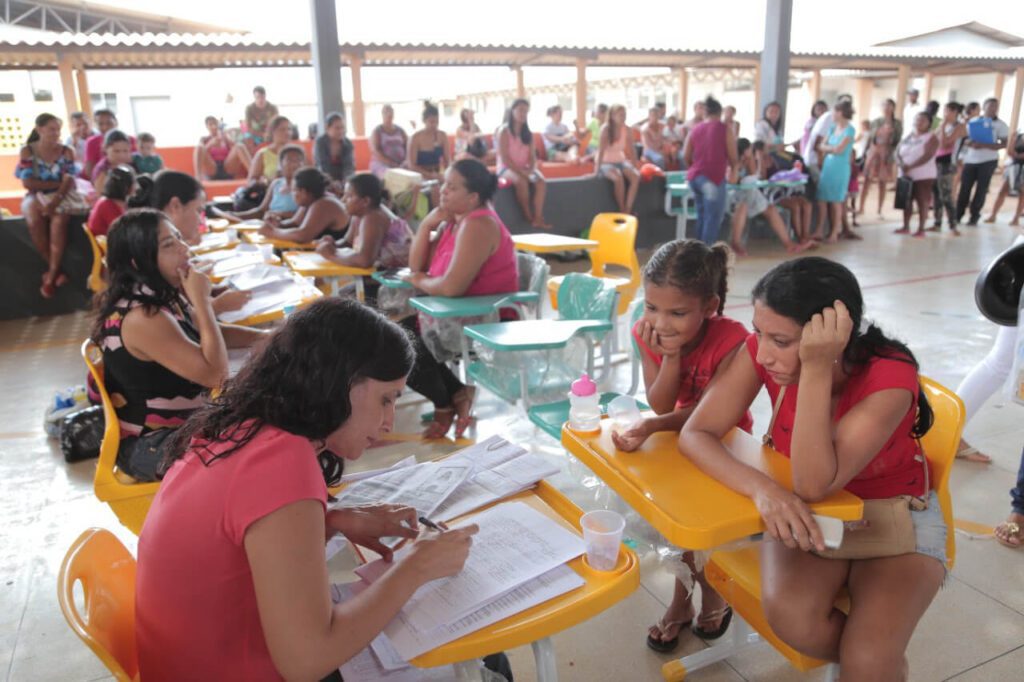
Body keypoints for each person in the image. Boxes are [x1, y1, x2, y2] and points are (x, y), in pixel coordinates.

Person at [134, 297, 481, 680]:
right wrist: (418, 565)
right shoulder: (283, 462)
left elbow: (235, 543)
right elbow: (306, 661)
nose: (389, 422)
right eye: (386, 399)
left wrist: (331, 522)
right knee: (479, 657)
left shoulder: (242, 428)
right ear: (338, 383)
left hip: (191, 665)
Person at [680, 257, 946, 680]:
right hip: (814, 514)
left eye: (781, 341)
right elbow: (697, 433)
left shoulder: (891, 376)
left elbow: (813, 483)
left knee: (868, 660)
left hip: (895, 517)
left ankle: (872, 663)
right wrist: (764, 490)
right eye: (758, 332)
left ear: (834, 336)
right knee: (795, 622)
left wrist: (817, 367)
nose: (763, 353)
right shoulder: (763, 352)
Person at [598, 240, 747, 652]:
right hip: (675, 440)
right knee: (673, 522)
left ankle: (706, 594)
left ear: (710, 306)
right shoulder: (645, 333)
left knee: (699, 526)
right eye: (651, 307)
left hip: (725, 444)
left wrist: (652, 426)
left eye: (677, 313)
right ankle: (685, 598)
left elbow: (711, 415)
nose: (661, 323)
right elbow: (662, 402)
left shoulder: (734, 339)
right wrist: (672, 356)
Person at [90, 208, 267, 482]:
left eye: (178, 238)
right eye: (168, 245)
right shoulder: (142, 317)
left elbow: (211, 332)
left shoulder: (160, 294)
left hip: (181, 425)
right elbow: (215, 376)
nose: (184, 248)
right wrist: (203, 302)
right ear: (139, 262)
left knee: (270, 413)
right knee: (266, 441)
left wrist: (269, 337)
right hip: (150, 444)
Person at [406, 159, 518, 438]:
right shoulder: (455, 222)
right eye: (444, 184)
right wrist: (427, 225)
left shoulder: (478, 225)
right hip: (456, 314)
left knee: (396, 345)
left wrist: (419, 281)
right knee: (392, 339)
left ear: (473, 197)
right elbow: (417, 266)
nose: (443, 191)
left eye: (452, 187)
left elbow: (451, 287)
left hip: (487, 319)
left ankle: (446, 402)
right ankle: (454, 394)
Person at [16, 113, 82, 298]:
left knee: (59, 221)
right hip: (35, 195)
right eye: (51, 129)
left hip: (62, 196)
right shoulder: (27, 151)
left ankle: (51, 277)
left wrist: (55, 200)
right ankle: (57, 271)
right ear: (39, 129)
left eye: (58, 129)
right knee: (34, 221)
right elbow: (28, 183)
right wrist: (59, 184)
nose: (56, 133)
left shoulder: (67, 150)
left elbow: (70, 182)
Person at [315, 172, 413, 297]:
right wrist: (332, 244)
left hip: (392, 287)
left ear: (365, 201)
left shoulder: (373, 217)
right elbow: (347, 242)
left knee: (336, 301)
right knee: (335, 297)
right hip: (375, 279)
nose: (343, 200)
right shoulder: (359, 214)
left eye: (349, 196)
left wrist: (331, 255)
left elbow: (365, 261)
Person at [729, 139, 815, 255]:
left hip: (752, 192)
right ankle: (735, 243)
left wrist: (753, 160)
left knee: (771, 209)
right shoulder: (732, 161)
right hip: (736, 194)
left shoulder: (751, 160)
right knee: (743, 206)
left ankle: (789, 244)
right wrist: (736, 165)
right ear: (744, 150)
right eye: (749, 149)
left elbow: (753, 177)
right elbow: (732, 181)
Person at [684, 96, 736, 245]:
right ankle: (706, 252)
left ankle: (696, 250)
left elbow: (686, 155)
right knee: (713, 218)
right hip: (713, 178)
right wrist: (734, 169)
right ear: (719, 112)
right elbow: (733, 156)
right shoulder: (724, 129)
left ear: (705, 113)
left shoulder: (695, 129)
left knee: (702, 216)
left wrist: (695, 167)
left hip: (695, 178)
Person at [496, 98, 550, 228]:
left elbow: (532, 157)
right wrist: (522, 173)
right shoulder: (504, 132)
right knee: (521, 181)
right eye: (520, 110)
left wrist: (531, 170)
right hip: (506, 169)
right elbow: (505, 159)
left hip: (525, 168)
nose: (523, 114)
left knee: (541, 181)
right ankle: (528, 215)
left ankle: (538, 218)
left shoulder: (528, 134)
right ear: (512, 111)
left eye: (526, 111)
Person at [257, 167, 349, 243]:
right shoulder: (310, 199)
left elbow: (303, 236)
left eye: (293, 190)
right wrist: (277, 224)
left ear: (303, 192)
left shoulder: (324, 204)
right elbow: (295, 223)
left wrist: (272, 232)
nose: (292, 194)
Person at [216, 145, 305, 224]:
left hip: (288, 229)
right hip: (270, 226)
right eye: (289, 160)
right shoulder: (276, 184)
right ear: (280, 164)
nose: (295, 164)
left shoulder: (305, 187)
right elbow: (261, 211)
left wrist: (278, 214)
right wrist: (234, 215)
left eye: (298, 160)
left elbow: (304, 215)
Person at [957, 98, 1009, 226]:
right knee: (964, 188)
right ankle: (958, 215)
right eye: (990, 106)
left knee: (981, 190)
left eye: (995, 106)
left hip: (988, 160)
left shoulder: (1000, 125)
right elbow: (965, 139)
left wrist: (985, 145)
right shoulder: (973, 122)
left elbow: (1004, 143)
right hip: (971, 159)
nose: (993, 109)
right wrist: (970, 143)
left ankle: (974, 216)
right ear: (984, 107)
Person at [813, 101, 856, 243]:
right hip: (828, 166)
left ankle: (834, 233)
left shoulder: (850, 130)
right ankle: (819, 230)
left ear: (840, 113)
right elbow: (821, 145)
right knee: (822, 199)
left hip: (840, 168)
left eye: (834, 112)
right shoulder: (832, 128)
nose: (831, 114)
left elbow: (840, 149)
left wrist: (829, 148)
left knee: (836, 200)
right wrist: (831, 148)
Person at [894, 112, 939, 238]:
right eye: (917, 120)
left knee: (922, 200)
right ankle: (905, 226)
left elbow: (928, 155)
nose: (919, 122)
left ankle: (921, 228)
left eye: (923, 120)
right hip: (905, 173)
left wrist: (911, 166)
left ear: (929, 123)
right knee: (906, 200)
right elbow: (897, 151)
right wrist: (900, 163)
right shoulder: (909, 136)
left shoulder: (931, 137)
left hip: (923, 175)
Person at [858, 98, 903, 218]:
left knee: (882, 182)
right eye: (884, 105)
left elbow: (897, 140)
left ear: (893, 108)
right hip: (874, 152)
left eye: (889, 105)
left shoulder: (897, 123)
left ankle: (879, 209)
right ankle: (861, 207)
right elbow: (870, 137)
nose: (886, 108)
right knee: (867, 180)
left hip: (887, 153)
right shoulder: (876, 121)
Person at [594, 104, 640, 215]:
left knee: (636, 177)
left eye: (625, 114)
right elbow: (601, 151)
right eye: (621, 115)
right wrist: (596, 170)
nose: (624, 117)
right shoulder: (605, 129)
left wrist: (635, 166)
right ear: (612, 116)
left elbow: (632, 150)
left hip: (620, 161)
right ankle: (622, 209)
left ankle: (628, 208)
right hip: (605, 162)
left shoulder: (627, 129)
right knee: (618, 177)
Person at [407, 101, 450, 207]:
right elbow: (411, 165)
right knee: (435, 188)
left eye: (436, 122)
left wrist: (448, 175)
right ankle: (439, 213)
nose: (434, 125)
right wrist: (430, 175)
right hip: (421, 175)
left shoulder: (442, 136)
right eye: (431, 122)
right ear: (424, 121)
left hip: (438, 174)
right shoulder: (416, 138)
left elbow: (448, 161)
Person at [931, 102, 965, 235]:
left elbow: (945, 143)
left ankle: (953, 225)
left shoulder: (959, 126)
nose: (946, 114)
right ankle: (937, 223)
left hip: (948, 163)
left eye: (949, 111)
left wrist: (943, 126)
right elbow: (933, 139)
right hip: (936, 161)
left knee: (946, 195)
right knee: (936, 194)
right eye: (945, 110)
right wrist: (942, 126)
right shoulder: (942, 125)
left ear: (955, 112)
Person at [983, 131, 1024, 225]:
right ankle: (993, 215)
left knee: (1022, 194)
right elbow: (1010, 152)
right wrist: (1012, 140)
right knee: (1003, 191)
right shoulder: (1019, 136)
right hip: (1014, 167)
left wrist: (1017, 155)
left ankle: (1016, 218)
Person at [82, 109, 135, 180]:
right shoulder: (92, 142)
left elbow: (136, 162)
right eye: (100, 124)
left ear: (116, 122)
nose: (105, 127)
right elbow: (89, 171)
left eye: (109, 123)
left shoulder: (131, 140)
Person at [195, 115, 252, 180]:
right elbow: (200, 154)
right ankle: (198, 177)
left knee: (239, 146)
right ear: (207, 127)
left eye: (215, 123)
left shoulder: (225, 137)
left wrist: (228, 139)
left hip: (227, 167)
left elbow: (236, 150)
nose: (214, 126)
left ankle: (253, 174)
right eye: (210, 124)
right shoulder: (204, 139)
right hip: (212, 168)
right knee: (200, 146)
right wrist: (210, 144)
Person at [88, 164, 135, 238]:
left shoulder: (107, 201)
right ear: (126, 186)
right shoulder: (108, 205)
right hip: (109, 243)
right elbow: (122, 232)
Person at [313, 111, 355, 191]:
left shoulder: (348, 143)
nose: (341, 131)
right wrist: (332, 181)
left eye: (342, 128)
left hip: (343, 178)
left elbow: (349, 165)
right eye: (337, 128)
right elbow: (322, 165)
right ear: (327, 128)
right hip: (324, 176)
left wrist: (346, 181)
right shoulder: (320, 142)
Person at [248, 115, 293, 183]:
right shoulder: (262, 154)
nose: (287, 133)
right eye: (282, 129)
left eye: (289, 129)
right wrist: (268, 181)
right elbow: (251, 181)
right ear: (272, 132)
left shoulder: (297, 152)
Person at [369, 105, 409, 178]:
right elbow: (376, 151)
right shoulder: (377, 131)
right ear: (382, 114)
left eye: (391, 112)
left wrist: (405, 161)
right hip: (382, 164)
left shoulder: (400, 130)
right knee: (391, 175)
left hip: (401, 163)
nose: (389, 114)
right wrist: (392, 164)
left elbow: (408, 147)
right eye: (386, 112)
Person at [92, 129, 134, 197]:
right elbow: (100, 196)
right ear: (105, 149)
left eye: (125, 151)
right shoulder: (103, 170)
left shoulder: (129, 165)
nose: (121, 155)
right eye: (116, 151)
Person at [243, 85, 279, 152]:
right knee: (247, 137)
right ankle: (253, 157)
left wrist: (268, 134)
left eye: (262, 97)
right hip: (255, 133)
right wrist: (262, 134)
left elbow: (277, 124)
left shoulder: (273, 108)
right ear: (254, 97)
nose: (260, 100)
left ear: (265, 96)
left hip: (269, 133)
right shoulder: (249, 108)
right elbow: (248, 127)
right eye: (258, 97)